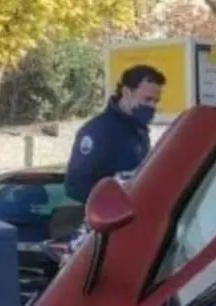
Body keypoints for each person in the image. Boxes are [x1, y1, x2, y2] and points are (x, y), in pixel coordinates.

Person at [64, 64, 166, 205]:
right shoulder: (99, 130)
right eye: (147, 99)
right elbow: (76, 185)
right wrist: (112, 201)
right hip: (107, 219)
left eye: (156, 101)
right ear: (126, 92)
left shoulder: (140, 132)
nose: (152, 106)